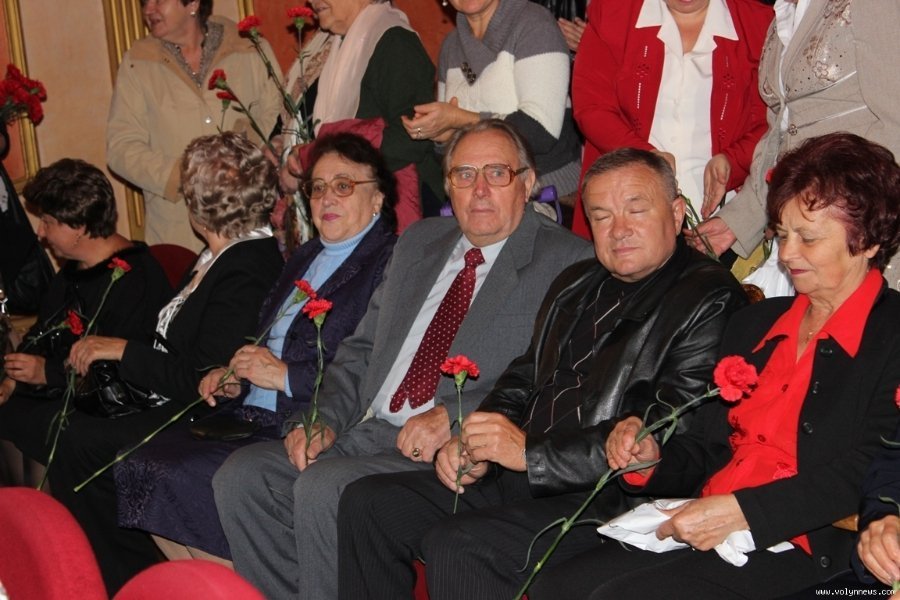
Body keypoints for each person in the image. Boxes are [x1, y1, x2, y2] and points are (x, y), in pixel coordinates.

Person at [337, 146, 747, 599]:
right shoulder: (578, 282)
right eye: (602, 216)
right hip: (524, 477)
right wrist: (474, 442)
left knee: (460, 544)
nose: (619, 230)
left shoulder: (708, 297)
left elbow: (669, 435)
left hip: (609, 497)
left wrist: (528, 454)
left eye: (636, 210)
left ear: (676, 212)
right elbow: (523, 378)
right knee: (368, 503)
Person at [212, 119, 592, 599]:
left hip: (450, 449)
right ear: (448, 184)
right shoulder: (419, 242)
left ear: (528, 182)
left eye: (497, 173)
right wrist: (323, 419)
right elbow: (361, 349)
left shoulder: (566, 261)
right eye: (464, 174)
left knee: (325, 486)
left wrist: (454, 415)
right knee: (243, 477)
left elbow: (550, 380)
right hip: (366, 426)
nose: (479, 190)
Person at [526, 132, 900, 599]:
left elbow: (872, 466)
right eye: (781, 235)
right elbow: (707, 450)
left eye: (807, 237)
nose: (787, 254)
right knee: (555, 585)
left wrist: (744, 511)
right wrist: (651, 458)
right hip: (709, 524)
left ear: (868, 240)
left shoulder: (890, 336)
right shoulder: (757, 324)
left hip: (807, 544)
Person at [113, 132, 399, 563]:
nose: (327, 198)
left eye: (343, 186)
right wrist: (233, 377)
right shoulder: (305, 255)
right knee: (136, 464)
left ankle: (241, 584)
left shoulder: (389, 263)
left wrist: (285, 376)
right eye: (317, 187)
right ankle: (214, 586)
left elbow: (372, 367)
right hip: (248, 413)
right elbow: (267, 340)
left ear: (377, 197)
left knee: (183, 474)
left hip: (301, 418)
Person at [29, 133, 283, 593]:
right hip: (172, 396)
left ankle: (127, 579)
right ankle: (106, 574)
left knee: (77, 439)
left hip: (208, 412)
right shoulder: (219, 254)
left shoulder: (246, 265)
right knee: (64, 424)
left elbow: (201, 379)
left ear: (198, 203)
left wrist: (121, 350)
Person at [690, 0, 900, 291]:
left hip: (857, 227)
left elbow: (895, 120)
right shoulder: (784, 12)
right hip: (805, 225)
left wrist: (864, 221)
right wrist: (740, 220)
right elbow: (782, 128)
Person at [0, 158, 171, 460]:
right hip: (71, 392)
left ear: (78, 226)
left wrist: (48, 373)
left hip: (118, 404)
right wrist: (14, 378)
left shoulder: (135, 278)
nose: (40, 233)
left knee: (48, 426)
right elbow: (44, 331)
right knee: (10, 411)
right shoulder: (74, 270)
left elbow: (126, 368)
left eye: (47, 222)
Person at [570, 0, 772, 240]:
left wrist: (734, 161)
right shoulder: (613, 12)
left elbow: (772, 121)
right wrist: (645, 157)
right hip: (625, 205)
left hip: (722, 216)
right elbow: (591, 107)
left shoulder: (759, 23)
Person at [107, 0, 281, 252]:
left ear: (193, 4)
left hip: (251, 220)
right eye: (145, 2)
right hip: (178, 232)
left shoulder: (248, 47)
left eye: (158, 0)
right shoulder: (138, 62)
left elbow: (278, 117)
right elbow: (121, 149)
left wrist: (243, 160)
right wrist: (187, 176)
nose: (148, 10)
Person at [280, 0, 444, 219]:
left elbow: (411, 138)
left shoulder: (395, 42)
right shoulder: (341, 47)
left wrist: (321, 157)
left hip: (401, 208)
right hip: (360, 206)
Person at [402, 0, 582, 198]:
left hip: (545, 191)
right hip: (475, 195)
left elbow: (540, 132)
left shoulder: (535, 24)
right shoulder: (450, 46)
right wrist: (444, 136)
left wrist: (459, 119)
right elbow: (451, 157)